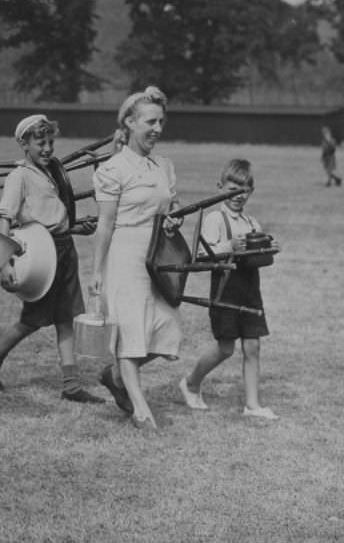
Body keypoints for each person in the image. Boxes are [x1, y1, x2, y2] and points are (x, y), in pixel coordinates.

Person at [0, 114, 104, 404]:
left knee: (66, 317)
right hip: (43, 255)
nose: (47, 148)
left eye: (50, 142)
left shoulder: (50, 171)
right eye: (40, 143)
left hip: (65, 249)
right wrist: (4, 262)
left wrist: (74, 227)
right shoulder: (19, 176)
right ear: (24, 144)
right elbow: (4, 217)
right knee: (32, 320)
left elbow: (51, 215)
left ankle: (71, 385)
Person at [90, 86, 183, 431]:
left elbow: (171, 206)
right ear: (129, 122)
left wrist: (174, 218)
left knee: (168, 331)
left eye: (161, 122)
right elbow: (105, 224)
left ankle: (115, 377)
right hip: (125, 256)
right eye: (150, 122)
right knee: (130, 334)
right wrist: (97, 271)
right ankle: (141, 411)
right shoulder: (112, 169)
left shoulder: (164, 166)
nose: (157, 129)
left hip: (158, 256)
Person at [179, 159, 279, 419]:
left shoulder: (251, 222)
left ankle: (252, 406)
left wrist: (268, 248)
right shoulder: (215, 219)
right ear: (220, 187)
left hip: (250, 290)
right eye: (233, 189)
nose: (238, 195)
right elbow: (201, 256)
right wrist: (229, 246)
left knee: (253, 347)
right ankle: (191, 383)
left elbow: (258, 258)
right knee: (225, 348)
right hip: (225, 289)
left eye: (244, 190)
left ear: (251, 191)